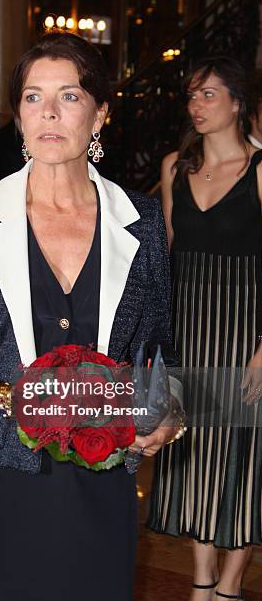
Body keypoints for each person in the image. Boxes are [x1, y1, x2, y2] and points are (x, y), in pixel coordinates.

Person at [0, 32, 180, 601]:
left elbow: (156, 354)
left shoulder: (142, 222)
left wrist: (165, 410)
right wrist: (10, 398)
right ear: (19, 116)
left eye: (69, 96)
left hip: (101, 482)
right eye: (33, 97)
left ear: (100, 114)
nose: (49, 112)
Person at [148, 56, 262, 600]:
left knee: (240, 456)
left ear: (237, 103)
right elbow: (168, 256)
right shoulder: (175, 168)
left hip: (245, 334)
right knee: (191, 451)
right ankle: (200, 582)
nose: (196, 105)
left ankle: (230, 586)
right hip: (188, 331)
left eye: (209, 95)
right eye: (192, 96)